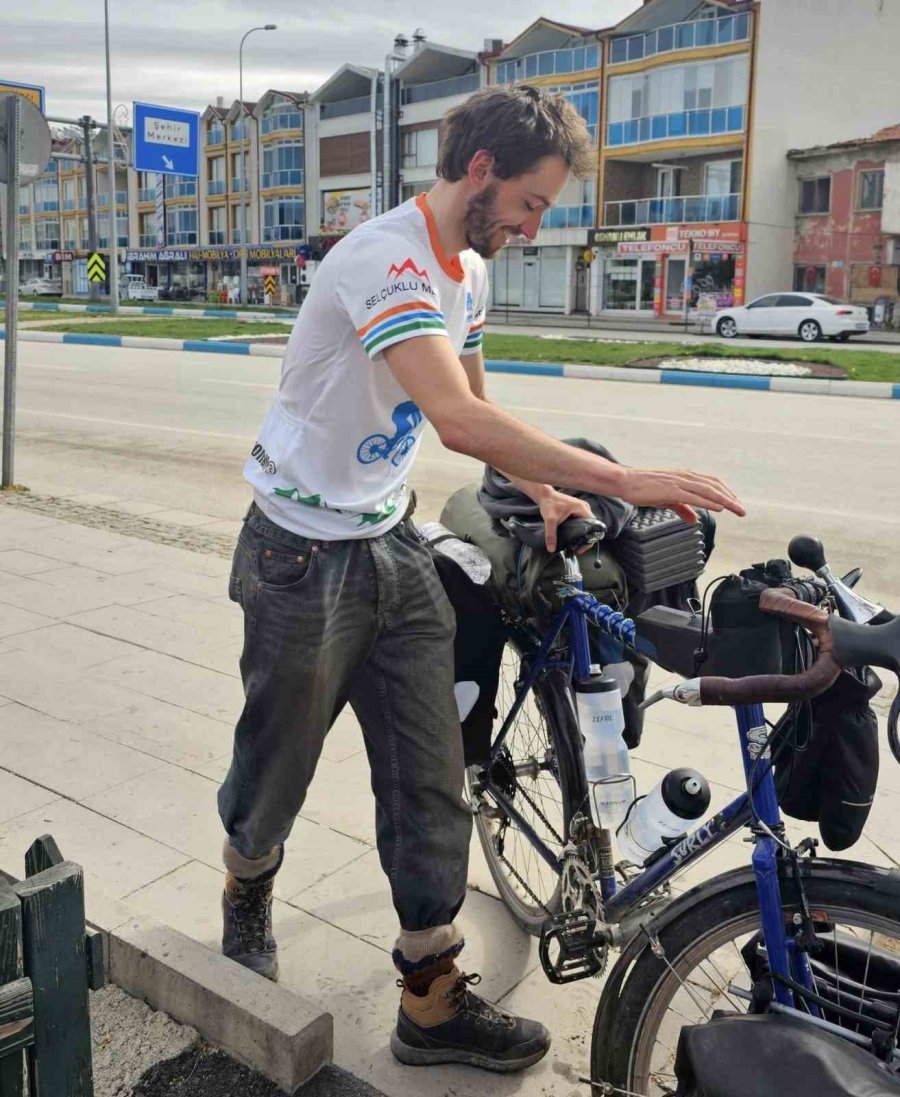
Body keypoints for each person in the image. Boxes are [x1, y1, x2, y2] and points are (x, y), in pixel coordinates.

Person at [219, 84, 745, 1074]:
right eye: (531, 203)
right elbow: (454, 420)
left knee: (432, 775)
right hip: (296, 554)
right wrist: (626, 475)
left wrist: (541, 484)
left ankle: (431, 999)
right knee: (275, 765)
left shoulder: (467, 269)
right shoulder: (384, 258)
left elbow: (477, 406)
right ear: (480, 170)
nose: (534, 224)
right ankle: (247, 881)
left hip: (390, 543)